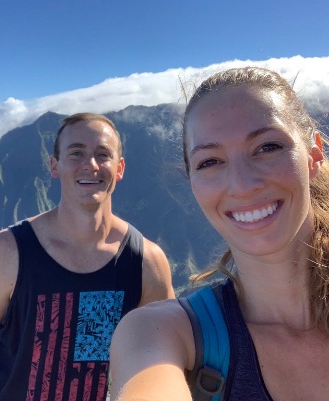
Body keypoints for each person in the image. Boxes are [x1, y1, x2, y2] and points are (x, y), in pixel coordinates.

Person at [109, 66, 329, 401]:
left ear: (314, 155)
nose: (242, 185)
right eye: (210, 162)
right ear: (193, 183)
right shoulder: (159, 334)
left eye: (267, 147)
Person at [0, 112, 175, 401]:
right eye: (76, 153)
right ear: (54, 166)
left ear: (120, 167)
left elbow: (165, 360)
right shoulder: (7, 253)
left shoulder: (145, 262)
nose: (91, 165)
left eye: (103, 154)